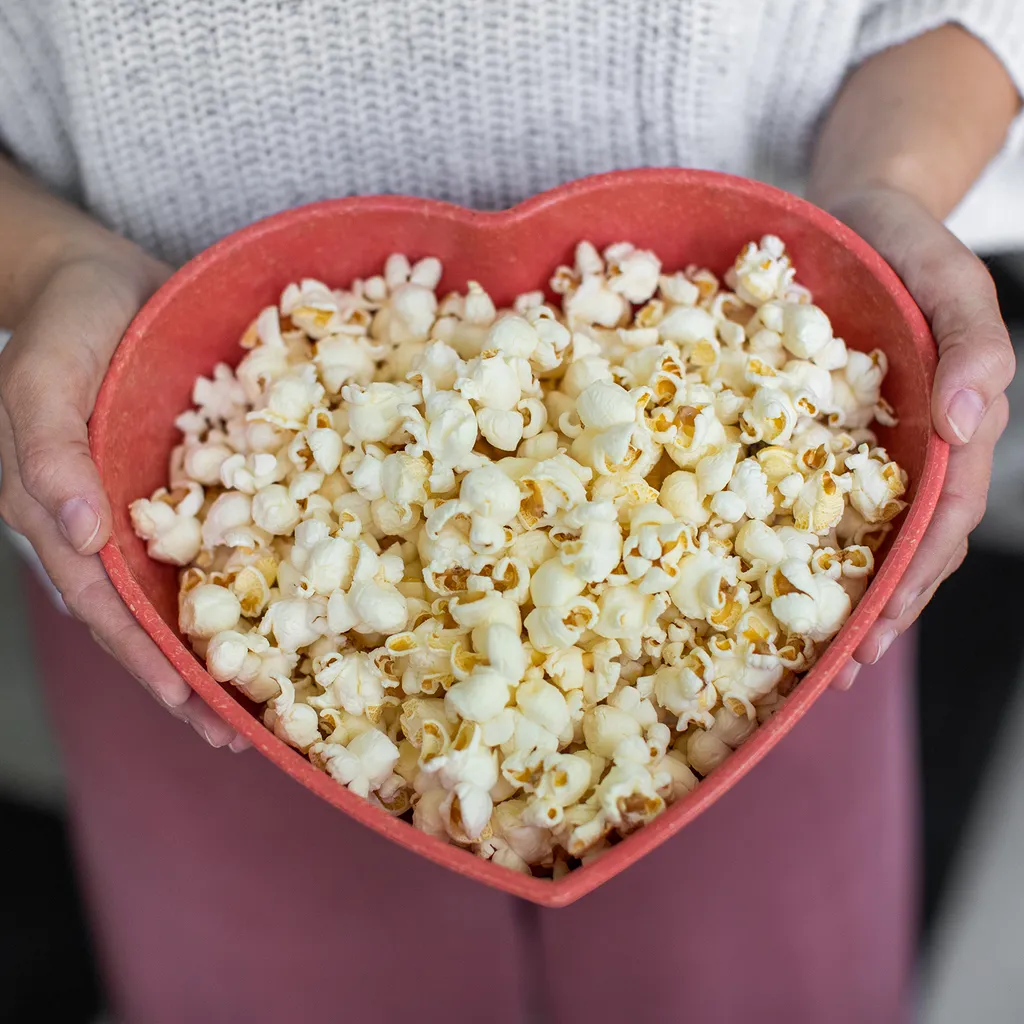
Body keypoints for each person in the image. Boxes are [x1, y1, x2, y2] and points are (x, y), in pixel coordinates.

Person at [0, 3, 1019, 1021]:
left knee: (756, 983)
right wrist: (46, 260)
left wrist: (885, 189)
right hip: (162, 490)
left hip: (771, 498)